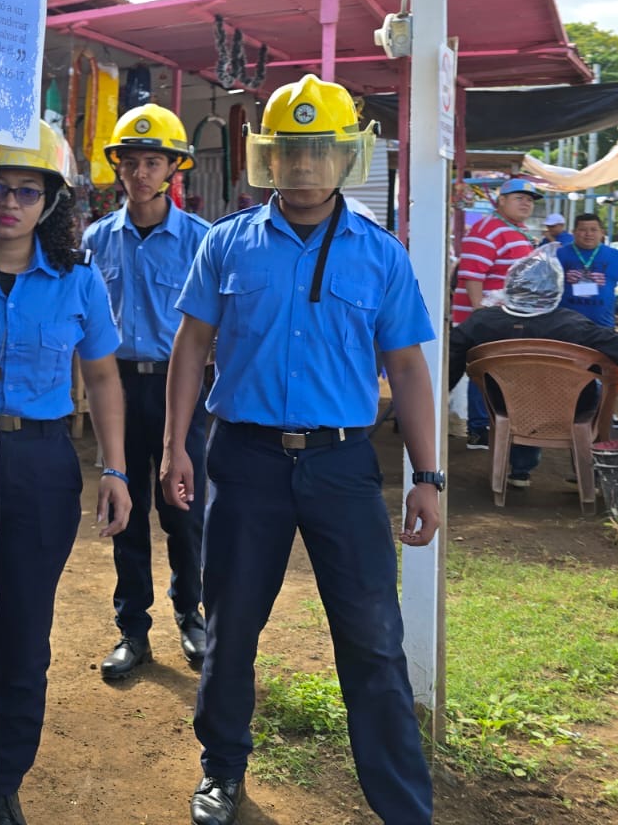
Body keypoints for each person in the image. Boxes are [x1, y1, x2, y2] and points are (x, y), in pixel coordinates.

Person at [160, 75, 441, 825]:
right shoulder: (227, 244)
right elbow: (192, 347)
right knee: (232, 625)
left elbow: (409, 367)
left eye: (321, 151)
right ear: (268, 159)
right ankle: (222, 770)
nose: (306, 166)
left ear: (347, 158)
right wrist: (175, 447)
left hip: (343, 466)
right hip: (244, 460)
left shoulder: (380, 256)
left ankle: (403, 805)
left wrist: (429, 474)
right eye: (291, 151)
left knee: (373, 639)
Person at [0, 119, 132, 825]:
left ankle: (1, 779)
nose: (8, 204)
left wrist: (116, 469)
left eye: (25, 190)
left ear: (49, 202)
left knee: (21, 626)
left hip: (39, 465)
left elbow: (103, 378)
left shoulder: (78, 281)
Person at [82, 105, 210, 679]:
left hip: (181, 393)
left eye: (152, 162)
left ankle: (192, 614)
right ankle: (133, 629)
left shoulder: (202, 242)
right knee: (124, 510)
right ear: (118, 167)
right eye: (130, 162)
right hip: (117, 392)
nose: (140, 173)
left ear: (173, 169)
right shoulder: (94, 241)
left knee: (182, 510)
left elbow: (220, 327)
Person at [449, 245, 618, 489]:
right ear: (556, 289)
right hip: (571, 408)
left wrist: (440, 393)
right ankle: (589, 474)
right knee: (588, 389)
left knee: (517, 392)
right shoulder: (574, 325)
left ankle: (520, 471)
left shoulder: (482, 322)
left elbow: (450, 358)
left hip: (505, 405)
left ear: (511, 285)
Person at [452, 177, 541, 449]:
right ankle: (479, 429)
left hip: (510, 315)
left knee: (497, 371)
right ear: (501, 200)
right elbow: (472, 273)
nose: (526, 203)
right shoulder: (488, 228)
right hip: (488, 316)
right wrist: (480, 312)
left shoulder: (517, 229)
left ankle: (491, 425)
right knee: (484, 370)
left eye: (530, 199)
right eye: (519, 198)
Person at [557, 213, 618, 330]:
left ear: (602, 232)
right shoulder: (559, 254)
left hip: (603, 326)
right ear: (574, 232)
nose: (588, 234)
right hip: (565, 325)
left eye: (593, 230)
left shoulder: (616, 256)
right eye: (582, 230)